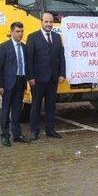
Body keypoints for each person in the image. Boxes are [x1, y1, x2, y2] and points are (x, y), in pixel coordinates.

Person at [26, 12, 66, 140]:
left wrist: (62, 74)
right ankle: (34, 131)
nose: (49, 24)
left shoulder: (57, 37)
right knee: (36, 105)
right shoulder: (32, 37)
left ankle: (50, 130)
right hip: (38, 79)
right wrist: (30, 77)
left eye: (50, 22)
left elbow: (61, 57)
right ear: (41, 22)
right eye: (46, 22)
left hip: (53, 78)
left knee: (50, 105)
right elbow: (29, 59)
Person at [0, 21, 31, 146]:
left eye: (22, 31)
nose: (20, 34)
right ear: (11, 32)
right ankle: (5, 135)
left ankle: (17, 134)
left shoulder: (24, 47)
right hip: (8, 83)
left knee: (17, 110)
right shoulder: (4, 47)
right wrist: (0, 85)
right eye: (17, 31)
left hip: (20, 81)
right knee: (5, 110)